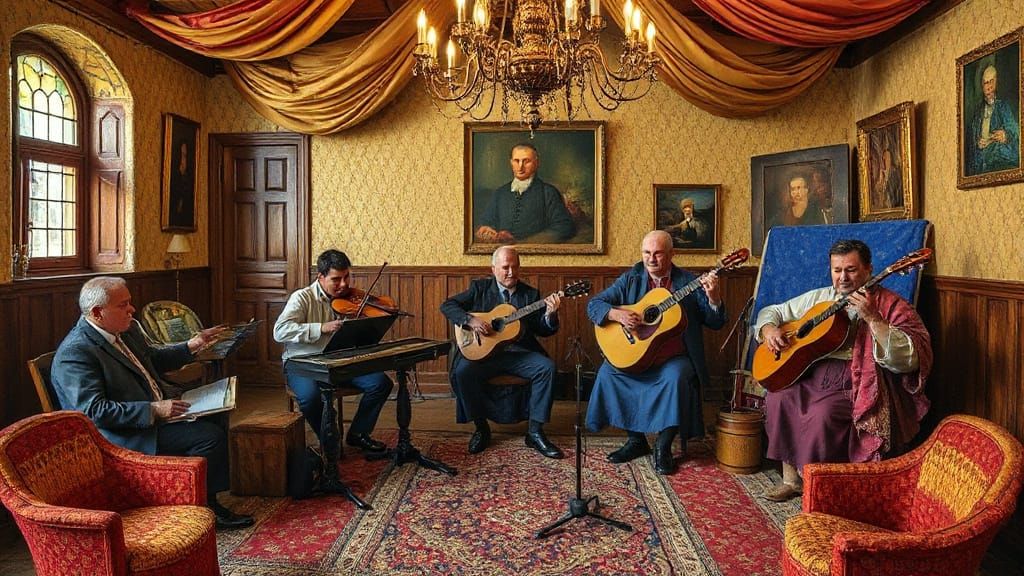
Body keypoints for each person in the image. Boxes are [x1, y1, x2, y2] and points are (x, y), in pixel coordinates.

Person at [51, 276, 253, 530]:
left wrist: (191, 346)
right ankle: (205, 508)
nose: (131, 309)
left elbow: (154, 358)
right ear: (97, 313)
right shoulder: (76, 353)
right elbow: (93, 411)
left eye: (130, 302)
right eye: (123, 305)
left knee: (217, 415)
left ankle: (201, 495)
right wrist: (154, 410)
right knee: (208, 437)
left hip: (156, 412)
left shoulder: (127, 329)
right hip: (125, 432)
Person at [755, 239, 932, 501]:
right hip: (813, 370)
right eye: (837, 270)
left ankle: (821, 488)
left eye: (850, 269)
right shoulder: (821, 297)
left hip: (856, 379)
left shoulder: (891, 305)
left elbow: (910, 359)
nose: (842, 277)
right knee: (778, 398)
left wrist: (873, 318)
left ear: (869, 269)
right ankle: (791, 480)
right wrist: (769, 329)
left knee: (822, 414)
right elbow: (773, 311)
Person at [586, 230, 726, 475]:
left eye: (658, 253)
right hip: (638, 353)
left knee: (677, 377)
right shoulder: (631, 277)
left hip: (674, 358)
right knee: (609, 372)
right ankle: (636, 440)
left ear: (672, 254)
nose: (651, 259)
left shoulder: (688, 282)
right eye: (646, 253)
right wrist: (616, 314)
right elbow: (594, 305)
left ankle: (663, 444)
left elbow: (715, 322)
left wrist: (713, 297)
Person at [440, 245, 565, 459]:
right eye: (505, 267)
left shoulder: (530, 294)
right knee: (462, 372)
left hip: (519, 354)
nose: (510, 272)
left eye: (515, 267)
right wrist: (470, 320)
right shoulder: (479, 289)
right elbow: (448, 305)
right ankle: (481, 428)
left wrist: (550, 315)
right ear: (493, 269)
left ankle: (535, 432)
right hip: (485, 355)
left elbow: (542, 331)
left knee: (547, 368)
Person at [273, 249, 394, 455]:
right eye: (336, 280)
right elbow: (280, 331)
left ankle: (358, 433)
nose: (344, 285)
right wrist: (320, 328)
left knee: (380, 383)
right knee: (311, 398)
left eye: (347, 277)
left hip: (337, 359)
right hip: (302, 362)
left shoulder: (350, 298)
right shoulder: (302, 298)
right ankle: (329, 438)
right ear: (320, 277)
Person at [474, 143, 576, 244]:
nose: (520, 166)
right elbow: (486, 222)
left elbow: (564, 227)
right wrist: (487, 231)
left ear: (536, 163)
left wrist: (525, 243)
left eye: (526, 161)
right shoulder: (500, 193)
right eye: (516, 161)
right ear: (511, 163)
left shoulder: (548, 192)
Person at [968, 64, 1020, 175]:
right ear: (982, 86)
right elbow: (973, 139)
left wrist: (1005, 135)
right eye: (986, 82)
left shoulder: (1003, 106)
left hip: (998, 159)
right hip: (980, 163)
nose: (989, 86)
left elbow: (1014, 129)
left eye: (992, 81)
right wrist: (978, 142)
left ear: (996, 82)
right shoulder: (977, 112)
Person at [168, 140, 195, 229]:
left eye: (185, 156)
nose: (183, 161)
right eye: (182, 155)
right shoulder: (171, 177)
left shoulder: (190, 178)